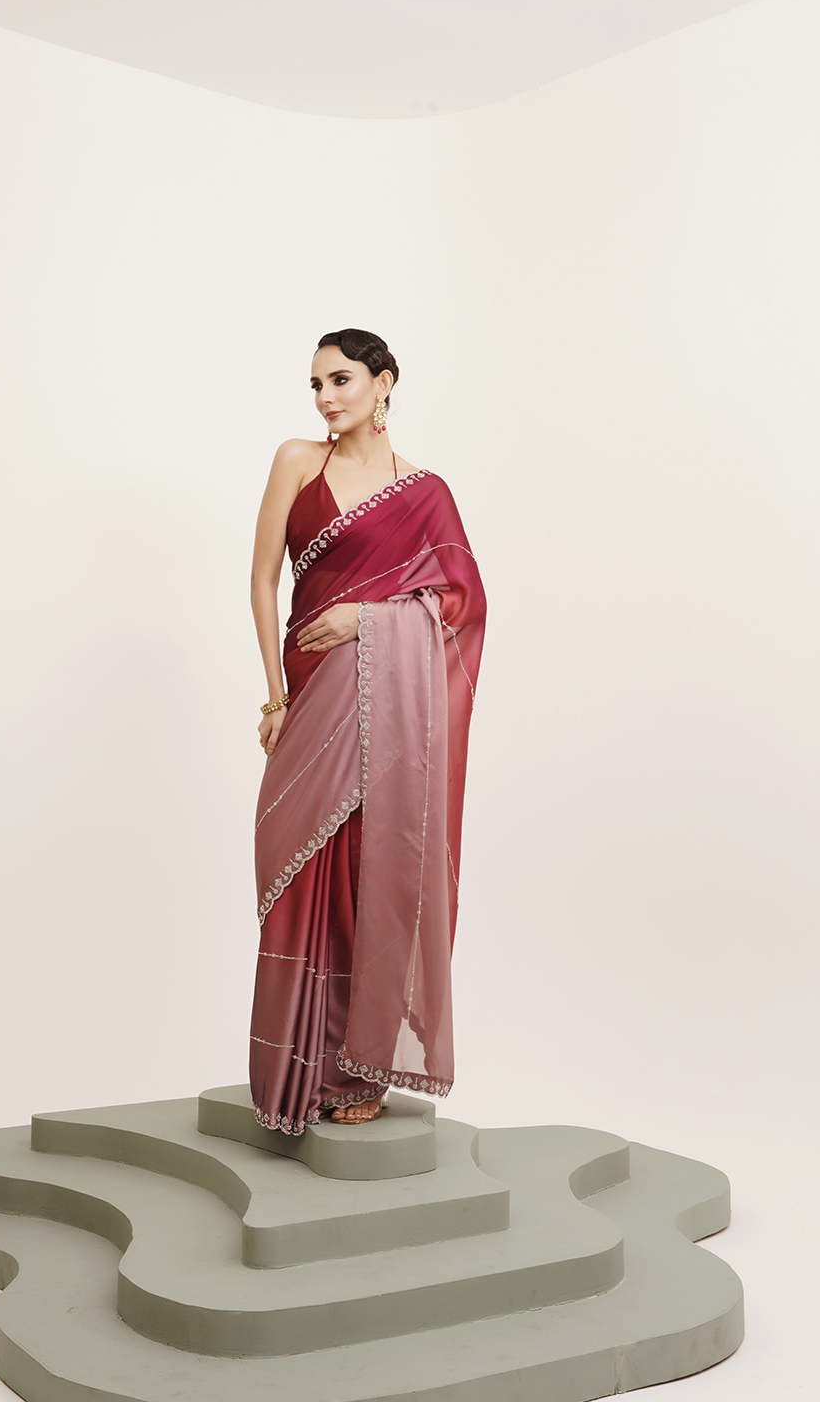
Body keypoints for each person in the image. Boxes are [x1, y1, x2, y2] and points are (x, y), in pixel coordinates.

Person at [248, 329, 487, 1133]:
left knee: (366, 875)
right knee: (294, 871)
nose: (325, 398)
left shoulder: (426, 492)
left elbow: (461, 605)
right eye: (316, 384)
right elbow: (262, 579)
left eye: (341, 380)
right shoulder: (297, 461)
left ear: (384, 383)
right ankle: (295, 1066)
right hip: (309, 694)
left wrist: (366, 618)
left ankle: (358, 1069)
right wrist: (275, 698)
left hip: (382, 712)